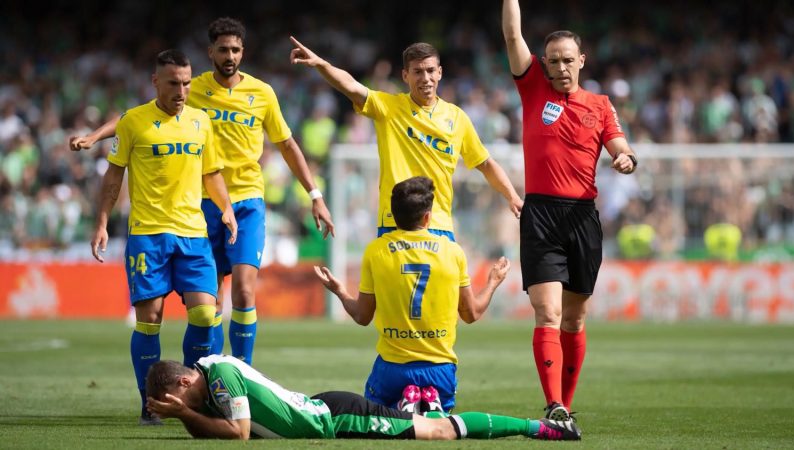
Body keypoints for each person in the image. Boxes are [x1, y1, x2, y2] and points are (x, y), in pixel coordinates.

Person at [70, 18, 336, 367]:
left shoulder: (262, 94)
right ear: (210, 52)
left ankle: (242, 374)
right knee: (208, 305)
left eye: (236, 49)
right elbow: (131, 118)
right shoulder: (189, 87)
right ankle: (200, 375)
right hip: (201, 207)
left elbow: (287, 145)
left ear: (243, 52)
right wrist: (94, 137)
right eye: (223, 49)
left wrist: (315, 194)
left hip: (247, 202)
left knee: (243, 289)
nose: (230, 56)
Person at [502, 0, 639, 422]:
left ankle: (567, 402)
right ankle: (553, 404)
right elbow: (511, 35)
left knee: (574, 321)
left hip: (582, 217)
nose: (561, 68)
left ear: (582, 60)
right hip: (541, 215)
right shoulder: (532, 88)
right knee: (548, 312)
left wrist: (625, 158)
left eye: (568, 60)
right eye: (553, 61)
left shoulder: (599, 105)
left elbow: (621, 144)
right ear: (543, 63)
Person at [91, 49, 238, 425]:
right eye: (174, 83)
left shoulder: (201, 122)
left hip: (193, 235)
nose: (182, 91)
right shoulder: (133, 122)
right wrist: (103, 222)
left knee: (207, 316)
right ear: (155, 82)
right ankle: (149, 403)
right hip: (148, 235)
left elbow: (213, 173)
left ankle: (192, 396)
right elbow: (113, 176)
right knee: (150, 320)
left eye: (187, 83)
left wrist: (226, 208)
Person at [289, 37, 523, 242]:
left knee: (442, 294)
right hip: (395, 222)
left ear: (440, 72)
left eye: (431, 70)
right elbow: (350, 85)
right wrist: (321, 64)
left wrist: (512, 196)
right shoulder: (389, 108)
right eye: (418, 72)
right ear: (405, 75)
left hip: (438, 223)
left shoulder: (457, 118)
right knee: (393, 294)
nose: (426, 78)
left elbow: (485, 163)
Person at [314, 177, 510, 413]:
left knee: (379, 418)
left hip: (392, 369)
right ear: (427, 217)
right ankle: (428, 400)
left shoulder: (376, 251)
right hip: (440, 369)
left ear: (393, 214)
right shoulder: (452, 251)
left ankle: (405, 402)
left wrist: (339, 291)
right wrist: (493, 282)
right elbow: (472, 313)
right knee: (440, 425)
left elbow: (362, 316)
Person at [145, 354, 581, 441]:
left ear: (184, 383)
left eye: (181, 399)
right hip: (324, 409)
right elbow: (211, 433)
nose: (190, 408)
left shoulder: (218, 375)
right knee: (421, 423)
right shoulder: (210, 382)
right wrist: (186, 414)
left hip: (337, 418)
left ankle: (545, 429)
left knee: (440, 433)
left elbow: (237, 434)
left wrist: (184, 413)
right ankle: (414, 405)